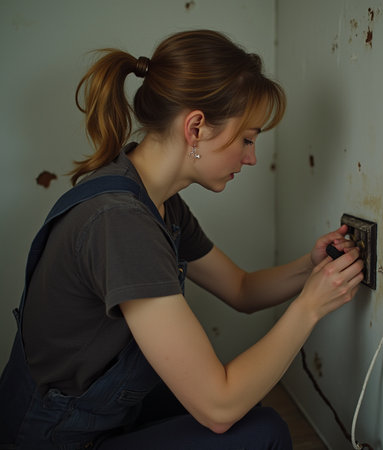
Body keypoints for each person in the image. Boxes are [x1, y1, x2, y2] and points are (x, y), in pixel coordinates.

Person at [0, 29, 364, 449]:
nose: (251, 157)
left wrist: (311, 268)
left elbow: (241, 289)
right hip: (56, 437)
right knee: (263, 431)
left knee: (248, 401)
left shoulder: (155, 201)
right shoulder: (120, 222)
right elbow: (218, 407)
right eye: (247, 139)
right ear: (196, 127)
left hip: (101, 412)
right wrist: (310, 308)